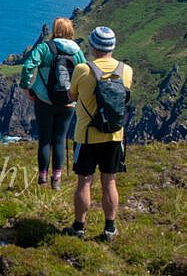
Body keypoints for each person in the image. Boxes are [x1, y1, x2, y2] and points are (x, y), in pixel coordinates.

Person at [66, 26, 133, 242]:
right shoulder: (126, 70)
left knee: (84, 182)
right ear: (112, 46)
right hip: (114, 136)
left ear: (93, 46)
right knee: (110, 181)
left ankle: (79, 227)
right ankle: (110, 228)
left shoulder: (83, 69)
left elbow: (72, 95)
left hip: (86, 136)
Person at [20, 17, 86, 189]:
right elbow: (85, 73)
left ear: (55, 30)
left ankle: (42, 178)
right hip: (68, 102)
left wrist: (26, 87)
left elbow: (28, 67)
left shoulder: (45, 48)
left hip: (44, 100)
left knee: (45, 139)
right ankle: (56, 180)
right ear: (71, 31)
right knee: (60, 139)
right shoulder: (77, 52)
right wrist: (77, 94)